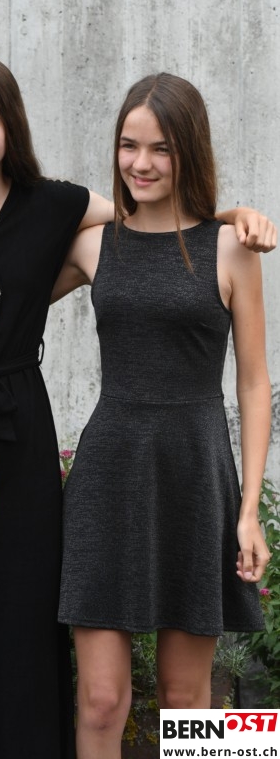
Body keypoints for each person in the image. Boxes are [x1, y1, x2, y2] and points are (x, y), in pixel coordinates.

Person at [0, 51, 276, 759]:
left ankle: (237, 748)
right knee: (73, 690)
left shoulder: (85, 214)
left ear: (11, 125)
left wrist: (237, 216)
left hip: (148, 460)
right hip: (25, 452)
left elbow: (172, 232)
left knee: (167, 692)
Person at [53, 73, 272, 759]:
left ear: (189, 152)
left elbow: (254, 384)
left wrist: (248, 512)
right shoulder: (92, 243)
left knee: (186, 699)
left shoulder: (231, 246)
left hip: (195, 474)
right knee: (100, 700)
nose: (140, 163)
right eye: (128, 145)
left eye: (161, 149)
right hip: (108, 474)